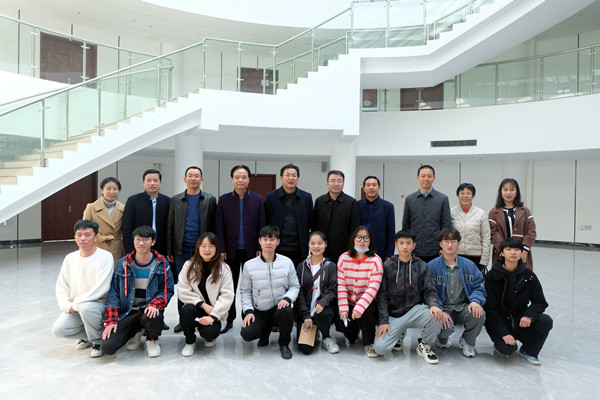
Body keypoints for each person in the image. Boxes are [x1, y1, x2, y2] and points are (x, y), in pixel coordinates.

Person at [101, 226, 174, 358]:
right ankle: (136, 331)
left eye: (145, 240)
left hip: (148, 310)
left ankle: (152, 339)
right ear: (133, 240)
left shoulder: (161, 263)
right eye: (138, 239)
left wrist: (155, 304)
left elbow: (167, 290)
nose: (141, 243)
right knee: (108, 346)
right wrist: (111, 320)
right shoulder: (123, 263)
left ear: (153, 242)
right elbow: (114, 292)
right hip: (128, 311)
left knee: (154, 316)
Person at [372, 230, 444, 364]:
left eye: (408, 243)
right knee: (380, 349)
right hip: (393, 315)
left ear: (414, 245)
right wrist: (383, 321)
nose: (405, 246)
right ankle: (399, 332)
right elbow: (382, 296)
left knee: (437, 315)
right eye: (401, 243)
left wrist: (434, 305)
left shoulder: (422, 266)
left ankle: (424, 344)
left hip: (414, 312)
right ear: (396, 245)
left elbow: (429, 291)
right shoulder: (387, 266)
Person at [484, 238, 553, 365]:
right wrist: (503, 333)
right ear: (502, 253)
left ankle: (529, 350)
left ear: (521, 253)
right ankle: (502, 343)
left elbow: (540, 302)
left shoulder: (529, 275)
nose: (513, 253)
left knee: (546, 321)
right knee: (507, 350)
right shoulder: (492, 276)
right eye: (508, 249)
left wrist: (529, 315)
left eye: (517, 249)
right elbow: (490, 309)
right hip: (501, 322)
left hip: (521, 320)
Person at [52, 220, 113, 358]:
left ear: (96, 237)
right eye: (79, 235)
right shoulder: (70, 258)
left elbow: (102, 287)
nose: (82, 238)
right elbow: (61, 286)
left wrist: (77, 303)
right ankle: (89, 335)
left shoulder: (105, 257)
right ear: (74, 237)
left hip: (98, 304)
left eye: (87, 235)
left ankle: (97, 342)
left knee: (86, 308)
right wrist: (67, 306)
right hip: (76, 307)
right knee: (59, 330)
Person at [215, 165, 265, 334]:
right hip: (230, 250)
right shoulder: (223, 200)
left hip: (252, 250)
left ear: (249, 179)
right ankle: (229, 319)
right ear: (232, 179)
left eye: (244, 177)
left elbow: (262, 224)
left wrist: (259, 246)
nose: (240, 180)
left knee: (252, 286)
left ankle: (250, 317)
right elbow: (219, 226)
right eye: (237, 177)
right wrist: (221, 247)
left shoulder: (258, 199)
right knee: (230, 286)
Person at [167, 166, 217, 332]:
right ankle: (183, 320)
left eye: (197, 176)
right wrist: (170, 250)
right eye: (190, 175)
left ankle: (205, 316)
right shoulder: (175, 200)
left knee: (203, 284)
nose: (193, 178)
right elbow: (170, 225)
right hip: (181, 249)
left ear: (201, 180)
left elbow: (214, 226)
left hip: (204, 251)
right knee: (184, 285)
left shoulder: (210, 199)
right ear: (185, 179)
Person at [240, 226, 300, 360]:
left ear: (277, 242)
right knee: (247, 334)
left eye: (272, 239)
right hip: (259, 310)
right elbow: (245, 291)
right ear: (260, 241)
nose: (268, 243)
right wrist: (248, 311)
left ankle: (284, 343)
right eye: (265, 239)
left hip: (278, 308)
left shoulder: (287, 262)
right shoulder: (249, 265)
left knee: (287, 311)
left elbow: (295, 286)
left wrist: (287, 298)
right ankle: (264, 331)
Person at [428, 227, 487, 358]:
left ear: (458, 243)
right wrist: (439, 309)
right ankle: (442, 339)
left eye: (453, 241)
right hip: (443, 307)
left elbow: (479, 287)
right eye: (446, 241)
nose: (450, 245)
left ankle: (468, 341)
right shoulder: (431, 266)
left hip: (462, 307)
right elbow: (428, 291)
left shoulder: (469, 265)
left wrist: (475, 301)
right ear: (440, 244)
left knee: (479, 314)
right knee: (442, 323)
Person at [177, 232, 234, 356]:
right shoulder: (189, 265)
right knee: (186, 311)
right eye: (203, 246)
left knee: (209, 334)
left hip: (214, 311)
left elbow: (227, 296)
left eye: (211, 246)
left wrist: (213, 316)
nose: (207, 250)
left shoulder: (224, 269)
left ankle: (209, 334)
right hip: (196, 309)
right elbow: (182, 290)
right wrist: (202, 304)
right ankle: (190, 341)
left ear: (216, 248)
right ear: (198, 248)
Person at [336, 225, 382, 358]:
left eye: (366, 238)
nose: (362, 241)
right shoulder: (343, 258)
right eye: (359, 237)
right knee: (341, 319)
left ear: (370, 241)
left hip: (368, 303)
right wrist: (344, 308)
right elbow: (341, 286)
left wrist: (359, 308)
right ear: (353, 239)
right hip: (349, 301)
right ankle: (353, 333)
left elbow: (373, 288)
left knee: (366, 315)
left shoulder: (376, 260)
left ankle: (369, 343)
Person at [295, 231, 339, 355]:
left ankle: (326, 336)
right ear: (308, 245)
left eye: (320, 243)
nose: (316, 246)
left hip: (323, 310)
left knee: (322, 314)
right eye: (313, 243)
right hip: (307, 313)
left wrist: (323, 302)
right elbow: (299, 292)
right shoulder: (301, 267)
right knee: (305, 349)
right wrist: (306, 315)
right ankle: (315, 332)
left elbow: (332, 290)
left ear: (325, 244)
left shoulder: (331, 266)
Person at [264, 164, 313, 267]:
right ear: (281, 178)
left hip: (299, 248)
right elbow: (266, 221)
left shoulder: (306, 197)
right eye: (287, 175)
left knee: (298, 275)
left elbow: (310, 221)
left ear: (297, 178)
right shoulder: (271, 197)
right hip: (277, 247)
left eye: (294, 175)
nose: (291, 178)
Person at [401, 165, 452, 263]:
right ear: (418, 178)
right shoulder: (410, 199)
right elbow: (405, 226)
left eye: (429, 176)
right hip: (414, 250)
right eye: (423, 176)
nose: (426, 179)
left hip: (436, 251)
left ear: (434, 178)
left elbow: (446, 226)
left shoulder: (442, 199)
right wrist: (406, 246)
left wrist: (443, 248)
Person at [312, 170, 361, 263]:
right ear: (327, 183)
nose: (336, 184)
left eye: (339, 181)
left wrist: (349, 250)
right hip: (321, 250)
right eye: (333, 181)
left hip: (343, 250)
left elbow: (354, 229)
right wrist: (314, 246)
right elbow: (314, 226)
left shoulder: (351, 202)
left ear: (343, 184)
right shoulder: (319, 201)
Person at [489, 178, 537, 269]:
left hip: (521, 253)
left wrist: (524, 250)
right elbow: (493, 233)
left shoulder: (525, 211)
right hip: (501, 253)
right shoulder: (494, 212)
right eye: (505, 190)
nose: (508, 193)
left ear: (517, 192)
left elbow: (531, 231)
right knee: (501, 275)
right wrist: (504, 250)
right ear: (501, 192)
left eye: (512, 190)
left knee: (521, 275)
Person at [122, 169, 171, 256]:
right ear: (143, 182)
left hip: (162, 246)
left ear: (160, 183)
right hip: (140, 245)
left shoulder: (168, 201)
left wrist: (170, 251)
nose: (152, 183)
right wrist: (129, 250)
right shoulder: (133, 201)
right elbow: (126, 228)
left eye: (155, 180)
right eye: (149, 180)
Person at [83, 177, 125, 265]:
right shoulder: (91, 207)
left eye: (115, 189)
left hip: (116, 247)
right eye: (108, 189)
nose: (112, 192)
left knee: (114, 270)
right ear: (102, 190)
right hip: (98, 245)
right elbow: (85, 229)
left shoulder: (123, 208)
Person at [451, 183, 491, 273]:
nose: (465, 196)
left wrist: (485, 259)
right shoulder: (451, 212)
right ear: (458, 195)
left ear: (473, 196)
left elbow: (486, 237)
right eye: (462, 193)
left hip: (475, 256)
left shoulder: (481, 213)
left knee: (473, 280)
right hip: (455, 255)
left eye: (468, 193)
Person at [357, 175, 395, 260]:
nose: (371, 188)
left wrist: (389, 254)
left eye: (374, 185)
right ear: (364, 189)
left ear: (379, 188)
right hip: (360, 249)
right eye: (368, 185)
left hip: (380, 250)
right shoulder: (357, 205)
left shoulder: (388, 207)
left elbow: (391, 233)